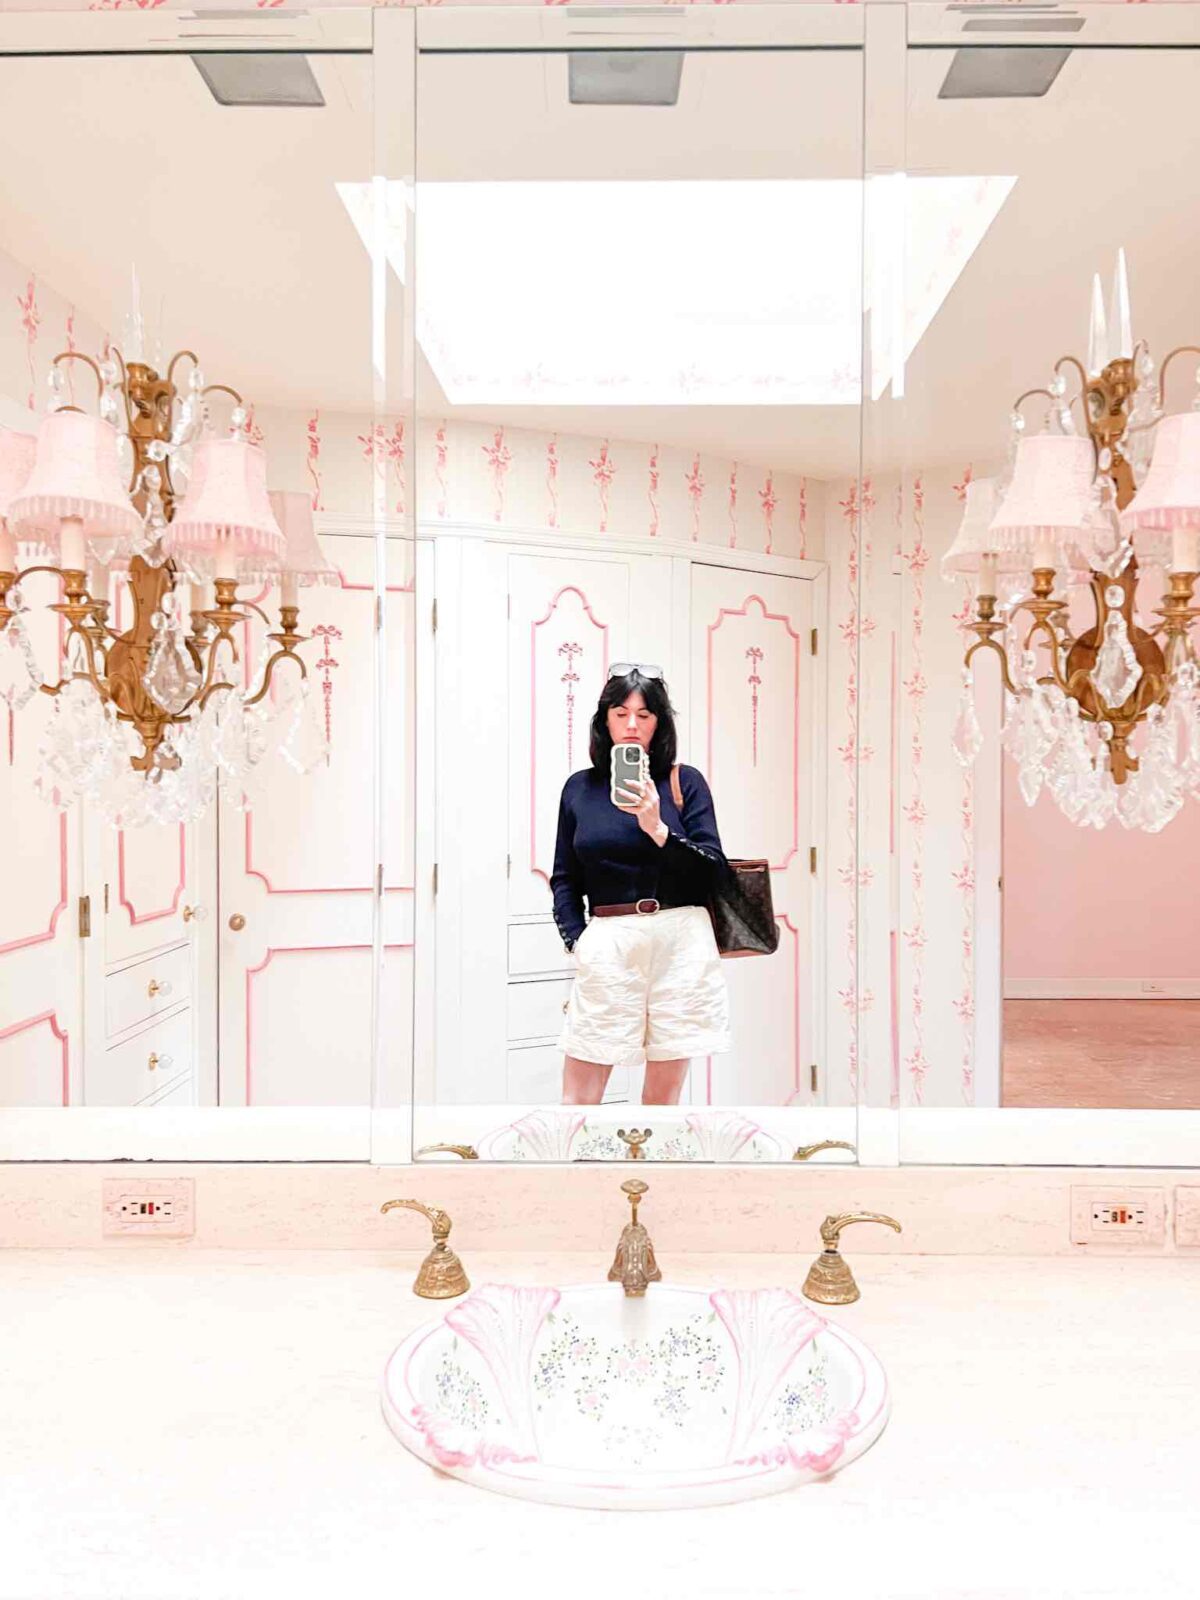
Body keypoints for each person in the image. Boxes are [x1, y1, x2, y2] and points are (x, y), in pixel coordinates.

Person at [551, 664, 731, 1106]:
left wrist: (658, 828)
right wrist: (578, 941)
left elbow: (714, 871)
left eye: (645, 715)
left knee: (662, 1101)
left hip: (680, 941)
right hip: (610, 939)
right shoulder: (579, 789)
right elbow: (565, 876)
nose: (632, 724)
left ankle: (654, 1157)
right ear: (605, 720)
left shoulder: (684, 782)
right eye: (621, 713)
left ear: (659, 723)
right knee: (579, 1098)